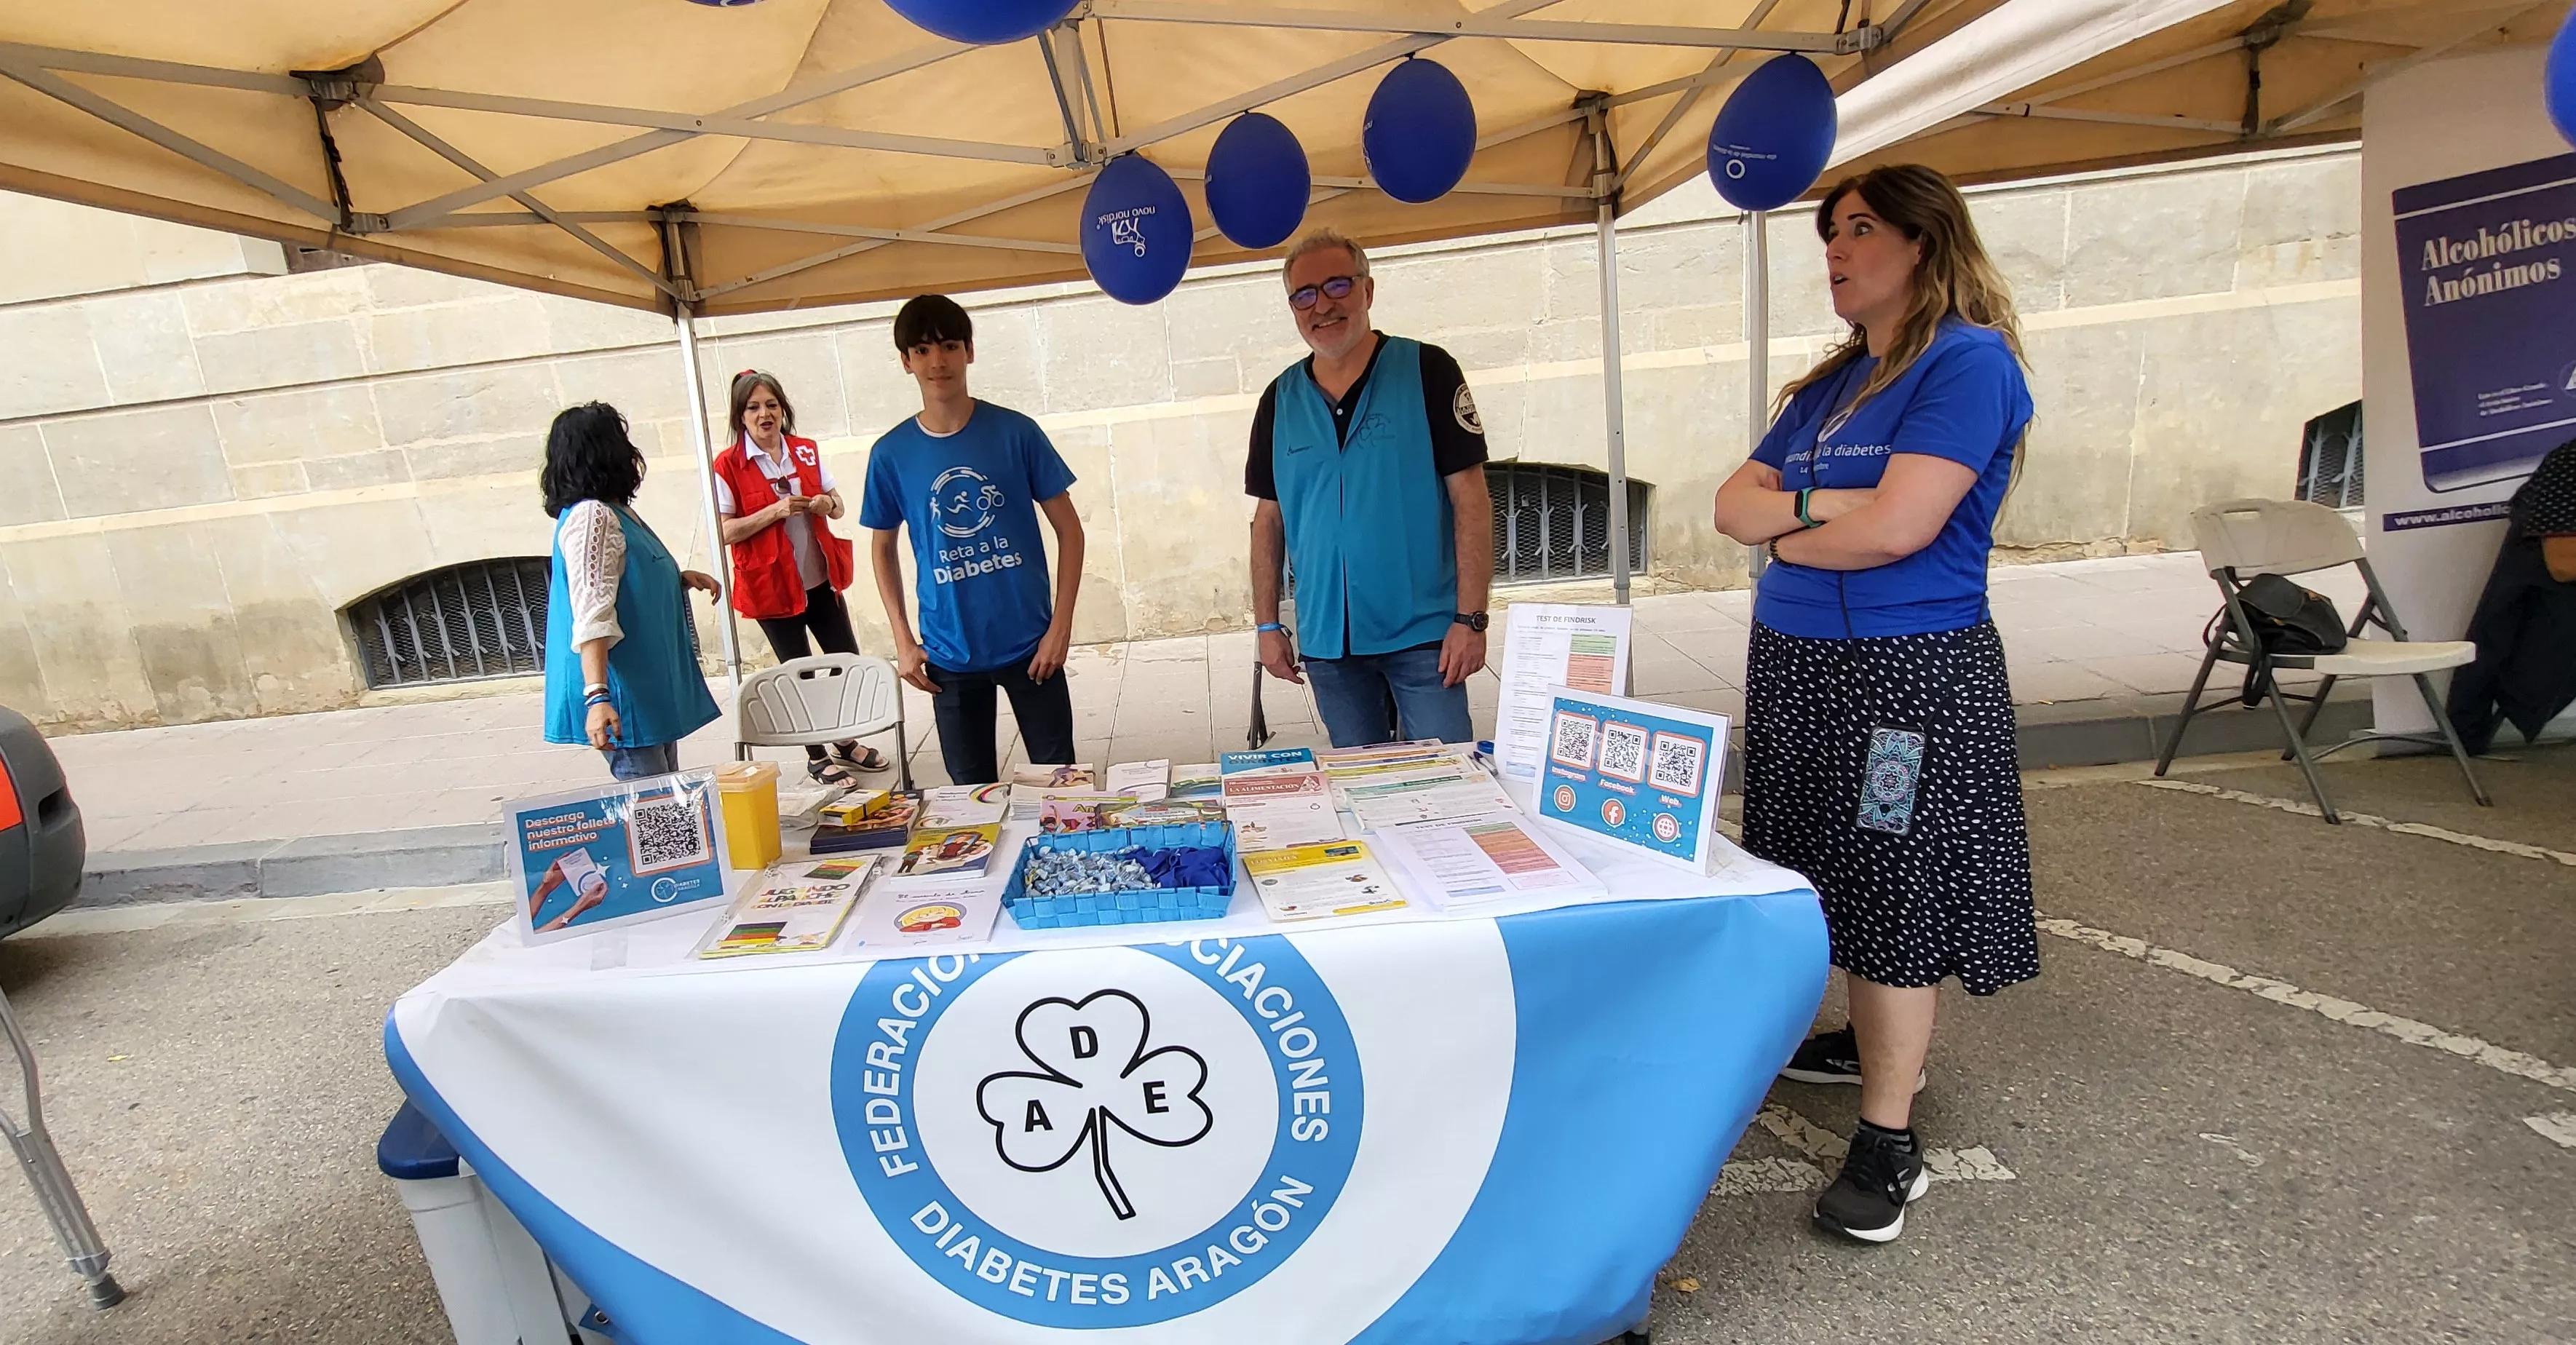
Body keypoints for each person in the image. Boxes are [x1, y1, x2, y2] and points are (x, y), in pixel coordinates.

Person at [1711, 164, 2040, 1245]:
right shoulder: (1826, 385)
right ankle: (1864, 1034)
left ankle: (1888, 1139)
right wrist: (1820, 506)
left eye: (1856, 230)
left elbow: (1898, 530)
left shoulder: (1966, 364)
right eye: (1827, 235)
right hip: (1798, 664)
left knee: (1892, 878)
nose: (1835, 252)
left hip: (1902, 678)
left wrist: (1789, 524)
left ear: (1921, 240)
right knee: (1811, 864)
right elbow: (1726, 508)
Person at [1247, 227, 1495, 747]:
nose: (1322, 306)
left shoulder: (1428, 370)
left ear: (1368, 290)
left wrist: (1471, 619)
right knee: (1362, 790)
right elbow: (1268, 521)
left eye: (1337, 286)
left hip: (1425, 637)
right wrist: (1267, 627)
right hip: (1328, 645)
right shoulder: (1280, 399)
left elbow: (1470, 500)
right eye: (1304, 295)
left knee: (1450, 782)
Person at [860, 295, 1085, 786]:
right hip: (949, 655)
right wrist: (903, 640)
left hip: (1032, 648)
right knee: (970, 800)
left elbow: (1070, 530)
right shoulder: (891, 454)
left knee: (1063, 791)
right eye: (921, 350)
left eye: (947, 345)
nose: (936, 361)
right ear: (905, 361)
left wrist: (1060, 627)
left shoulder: (1016, 433)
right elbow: (881, 549)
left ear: (969, 351)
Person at [710, 369, 890, 786]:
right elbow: (724, 530)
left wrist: (826, 503)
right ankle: (816, 754)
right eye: (753, 407)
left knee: (844, 660)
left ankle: (845, 740)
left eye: (771, 405)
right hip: (771, 586)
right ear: (740, 416)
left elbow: (840, 505)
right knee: (799, 671)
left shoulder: (804, 451)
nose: (764, 414)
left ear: (783, 409)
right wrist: (773, 512)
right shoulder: (728, 465)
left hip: (818, 580)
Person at [539, 402, 724, 780]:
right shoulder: (593, 517)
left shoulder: (612, 511)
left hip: (646, 692)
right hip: (625, 697)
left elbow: (620, 577)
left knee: (666, 802)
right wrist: (598, 698)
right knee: (654, 812)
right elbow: (592, 611)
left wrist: (675, 578)